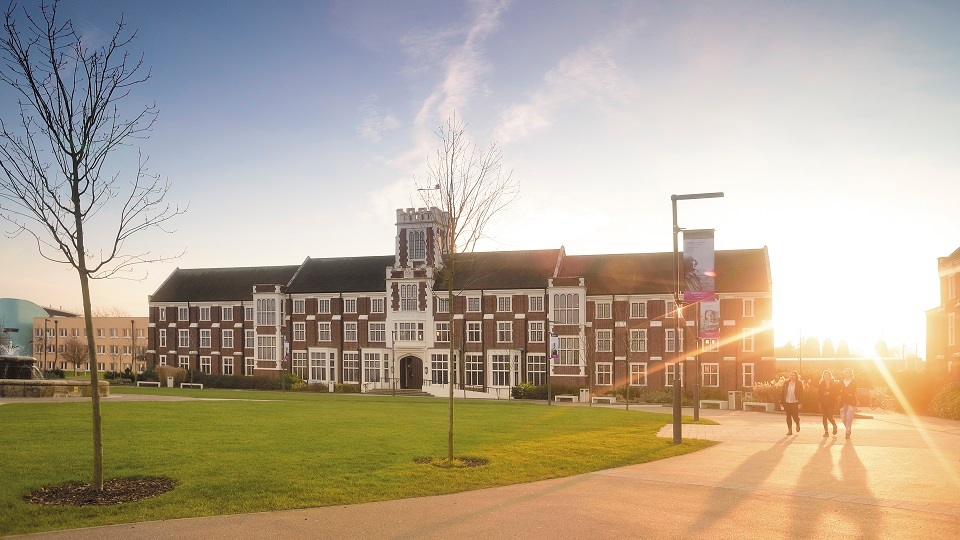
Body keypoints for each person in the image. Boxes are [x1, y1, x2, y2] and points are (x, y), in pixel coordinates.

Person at [780, 371, 803, 435]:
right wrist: (781, 402)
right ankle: (790, 430)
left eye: (793, 375)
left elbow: (801, 394)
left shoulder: (799, 383)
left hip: (795, 402)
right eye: (791, 375)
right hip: (787, 402)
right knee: (788, 416)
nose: (792, 377)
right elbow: (782, 393)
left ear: (796, 376)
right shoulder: (786, 383)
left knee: (795, 416)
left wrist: (800, 403)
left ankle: (797, 423)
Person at [837, 368, 858, 440]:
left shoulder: (854, 382)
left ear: (850, 373)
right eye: (845, 372)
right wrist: (846, 393)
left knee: (849, 417)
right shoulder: (841, 382)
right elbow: (838, 391)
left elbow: (853, 391)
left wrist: (843, 392)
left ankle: (847, 432)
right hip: (843, 402)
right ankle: (848, 428)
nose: (846, 374)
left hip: (851, 402)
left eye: (848, 372)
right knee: (843, 417)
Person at [818, 370, 839, 437]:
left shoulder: (834, 383)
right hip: (823, 402)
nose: (826, 376)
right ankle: (826, 431)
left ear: (830, 375)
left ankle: (834, 425)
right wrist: (820, 401)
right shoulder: (821, 383)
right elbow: (819, 393)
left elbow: (836, 393)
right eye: (825, 375)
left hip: (831, 402)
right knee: (824, 417)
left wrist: (829, 393)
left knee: (829, 417)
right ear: (823, 376)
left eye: (827, 375)